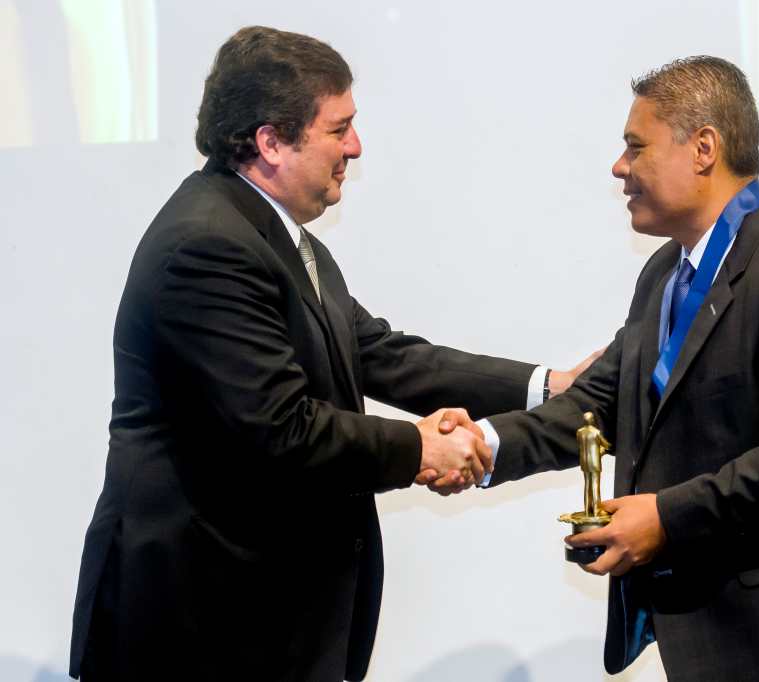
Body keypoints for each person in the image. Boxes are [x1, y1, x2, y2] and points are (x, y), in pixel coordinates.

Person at [68, 26, 592, 681]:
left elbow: (378, 353)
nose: (356, 146)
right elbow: (281, 429)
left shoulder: (270, 234)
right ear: (270, 142)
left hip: (258, 619)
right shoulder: (208, 246)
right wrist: (422, 449)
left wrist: (552, 385)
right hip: (202, 624)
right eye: (339, 129)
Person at [475, 56, 759, 681]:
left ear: (703, 148)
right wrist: (480, 446)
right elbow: (599, 403)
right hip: (709, 645)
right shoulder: (664, 275)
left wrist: (666, 518)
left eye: (635, 146)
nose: (619, 167)